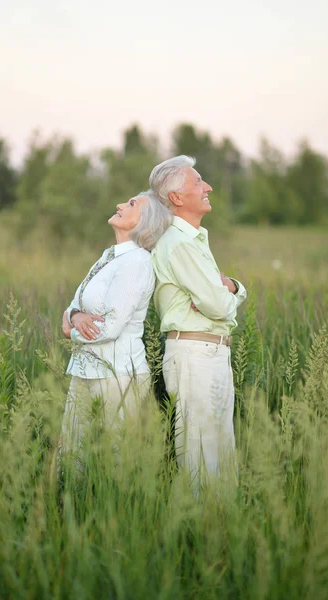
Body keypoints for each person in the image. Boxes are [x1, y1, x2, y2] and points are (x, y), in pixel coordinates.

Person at [149, 156, 247, 484]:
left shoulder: (194, 240)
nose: (208, 187)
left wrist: (233, 287)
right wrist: (228, 294)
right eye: (197, 182)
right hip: (195, 356)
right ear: (176, 198)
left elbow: (222, 294)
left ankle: (221, 530)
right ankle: (200, 530)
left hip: (211, 353)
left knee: (221, 455)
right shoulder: (178, 244)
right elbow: (220, 306)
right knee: (201, 457)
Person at [60, 190, 172, 459]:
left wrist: (70, 329)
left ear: (145, 222)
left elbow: (109, 327)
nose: (120, 204)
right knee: (71, 456)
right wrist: (76, 317)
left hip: (118, 375)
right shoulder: (109, 256)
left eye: (131, 204)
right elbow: (72, 306)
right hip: (85, 368)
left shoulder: (138, 262)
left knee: (115, 462)